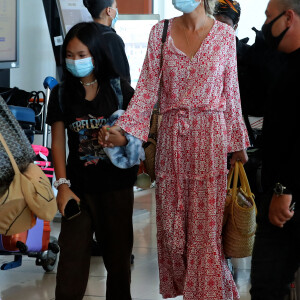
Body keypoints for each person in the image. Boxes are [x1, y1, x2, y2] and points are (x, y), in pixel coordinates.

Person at [99, 0, 250, 299]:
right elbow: (145, 90)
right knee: (172, 233)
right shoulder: (161, 32)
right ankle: (214, 291)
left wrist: (238, 145)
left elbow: (231, 93)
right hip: (172, 141)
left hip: (211, 139)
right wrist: (125, 129)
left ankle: (207, 293)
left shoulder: (223, 36)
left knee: (206, 236)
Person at [46, 22, 138, 300]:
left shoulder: (120, 90)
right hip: (78, 191)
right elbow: (59, 142)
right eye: (70, 55)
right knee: (71, 262)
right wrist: (62, 186)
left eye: (81, 54)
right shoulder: (62, 94)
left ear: (96, 54)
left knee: (118, 263)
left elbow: (138, 136)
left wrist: (120, 139)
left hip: (116, 190)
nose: (75, 61)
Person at [250, 0, 300, 299]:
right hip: (278, 193)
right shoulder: (284, 63)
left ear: (288, 17)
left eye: (269, 17)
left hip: (288, 197)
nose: (266, 25)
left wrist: (285, 189)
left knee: (268, 285)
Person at [83, 0, 131, 83]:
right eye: (115, 7)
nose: (116, 10)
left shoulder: (82, 33)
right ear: (109, 10)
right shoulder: (113, 39)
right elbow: (123, 79)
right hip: (107, 94)